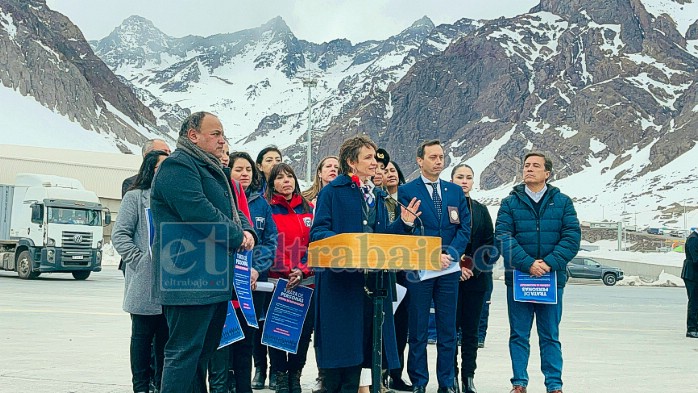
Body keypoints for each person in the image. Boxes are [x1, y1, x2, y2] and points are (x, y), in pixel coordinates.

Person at [150, 111, 257, 393]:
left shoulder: (211, 168)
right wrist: (237, 236)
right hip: (187, 277)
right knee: (184, 353)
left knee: (202, 354)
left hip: (211, 276)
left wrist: (248, 231)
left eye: (223, 135)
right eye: (216, 134)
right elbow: (199, 212)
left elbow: (233, 208)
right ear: (193, 136)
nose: (223, 141)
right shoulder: (177, 166)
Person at [311, 135, 421, 393]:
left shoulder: (379, 196)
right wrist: (349, 244)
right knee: (340, 361)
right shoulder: (332, 192)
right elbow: (318, 233)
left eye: (376, 158)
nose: (376, 163)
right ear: (352, 162)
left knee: (364, 357)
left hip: (372, 287)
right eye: (369, 158)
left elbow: (383, 239)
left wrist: (404, 223)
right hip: (341, 287)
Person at [495, 152, 581, 393]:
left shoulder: (562, 202)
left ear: (547, 173)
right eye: (526, 165)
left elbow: (572, 237)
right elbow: (503, 236)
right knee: (519, 335)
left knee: (550, 335)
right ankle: (519, 383)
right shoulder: (509, 203)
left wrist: (549, 263)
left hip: (551, 280)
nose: (529, 169)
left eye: (535, 166)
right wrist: (528, 263)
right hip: (520, 279)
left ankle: (554, 385)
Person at [398, 139, 471, 393]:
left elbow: (464, 227)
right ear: (420, 160)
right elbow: (409, 232)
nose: (438, 161)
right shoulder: (407, 190)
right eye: (433, 157)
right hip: (420, 269)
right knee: (417, 328)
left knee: (447, 328)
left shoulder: (454, 191)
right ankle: (419, 381)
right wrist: (431, 255)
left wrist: (451, 254)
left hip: (449, 270)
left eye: (441, 157)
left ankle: (447, 382)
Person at [208, 151, 279, 393]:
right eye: (239, 169)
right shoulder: (220, 198)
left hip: (251, 285)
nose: (244, 174)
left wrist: (256, 269)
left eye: (248, 169)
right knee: (223, 338)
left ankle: (243, 387)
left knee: (247, 340)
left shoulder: (262, 203)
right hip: (224, 283)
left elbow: (270, 241)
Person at [112, 149, 170, 393]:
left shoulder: (173, 199)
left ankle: (161, 384)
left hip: (172, 281)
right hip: (145, 280)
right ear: (150, 169)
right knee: (142, 337)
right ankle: (141, 386)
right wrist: (139, 260)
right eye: (162, 167)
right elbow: (120, 234)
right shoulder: (136, 197)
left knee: (165, 341)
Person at [265, 162, 314, 393]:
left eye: (290, 176)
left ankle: (295, 374)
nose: (286, 181)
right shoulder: (267, 208)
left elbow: (315, 244)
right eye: (280, 177)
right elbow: (269, 245)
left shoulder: (308, 208)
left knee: (304, 332)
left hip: (307, 280)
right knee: (278, 331)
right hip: (278, 280)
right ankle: (281, 377)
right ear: (271, 183)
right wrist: (287, 271)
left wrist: (303, 269)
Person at [451, 164, 499, 393]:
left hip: (476, 280)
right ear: (451, 180)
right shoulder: (444, 209)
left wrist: (472, 267)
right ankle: (450, 376)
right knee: (449, 330)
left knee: (470, 332)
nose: (464, 181)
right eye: (459, 177)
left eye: (468, 178)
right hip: (449, 278)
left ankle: (468, 377)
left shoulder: (481, 210)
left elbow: (490, 244)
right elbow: (439, 240)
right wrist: (456, 266)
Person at [379, 158, 411, 392]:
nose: (389, 174)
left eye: (393, 170)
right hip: (380, 271)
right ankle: (378, 373)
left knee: (400, 327)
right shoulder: (376, 200)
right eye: (384, 170)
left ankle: (396, 374)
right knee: (380, 326)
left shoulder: (408, 202)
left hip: (403, 272)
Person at [682, 228, 698, 338]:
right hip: (692, 275)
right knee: (694, 301)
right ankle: (692, 329)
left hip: (694, 274)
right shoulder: (694, 239)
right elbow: (696, 259)